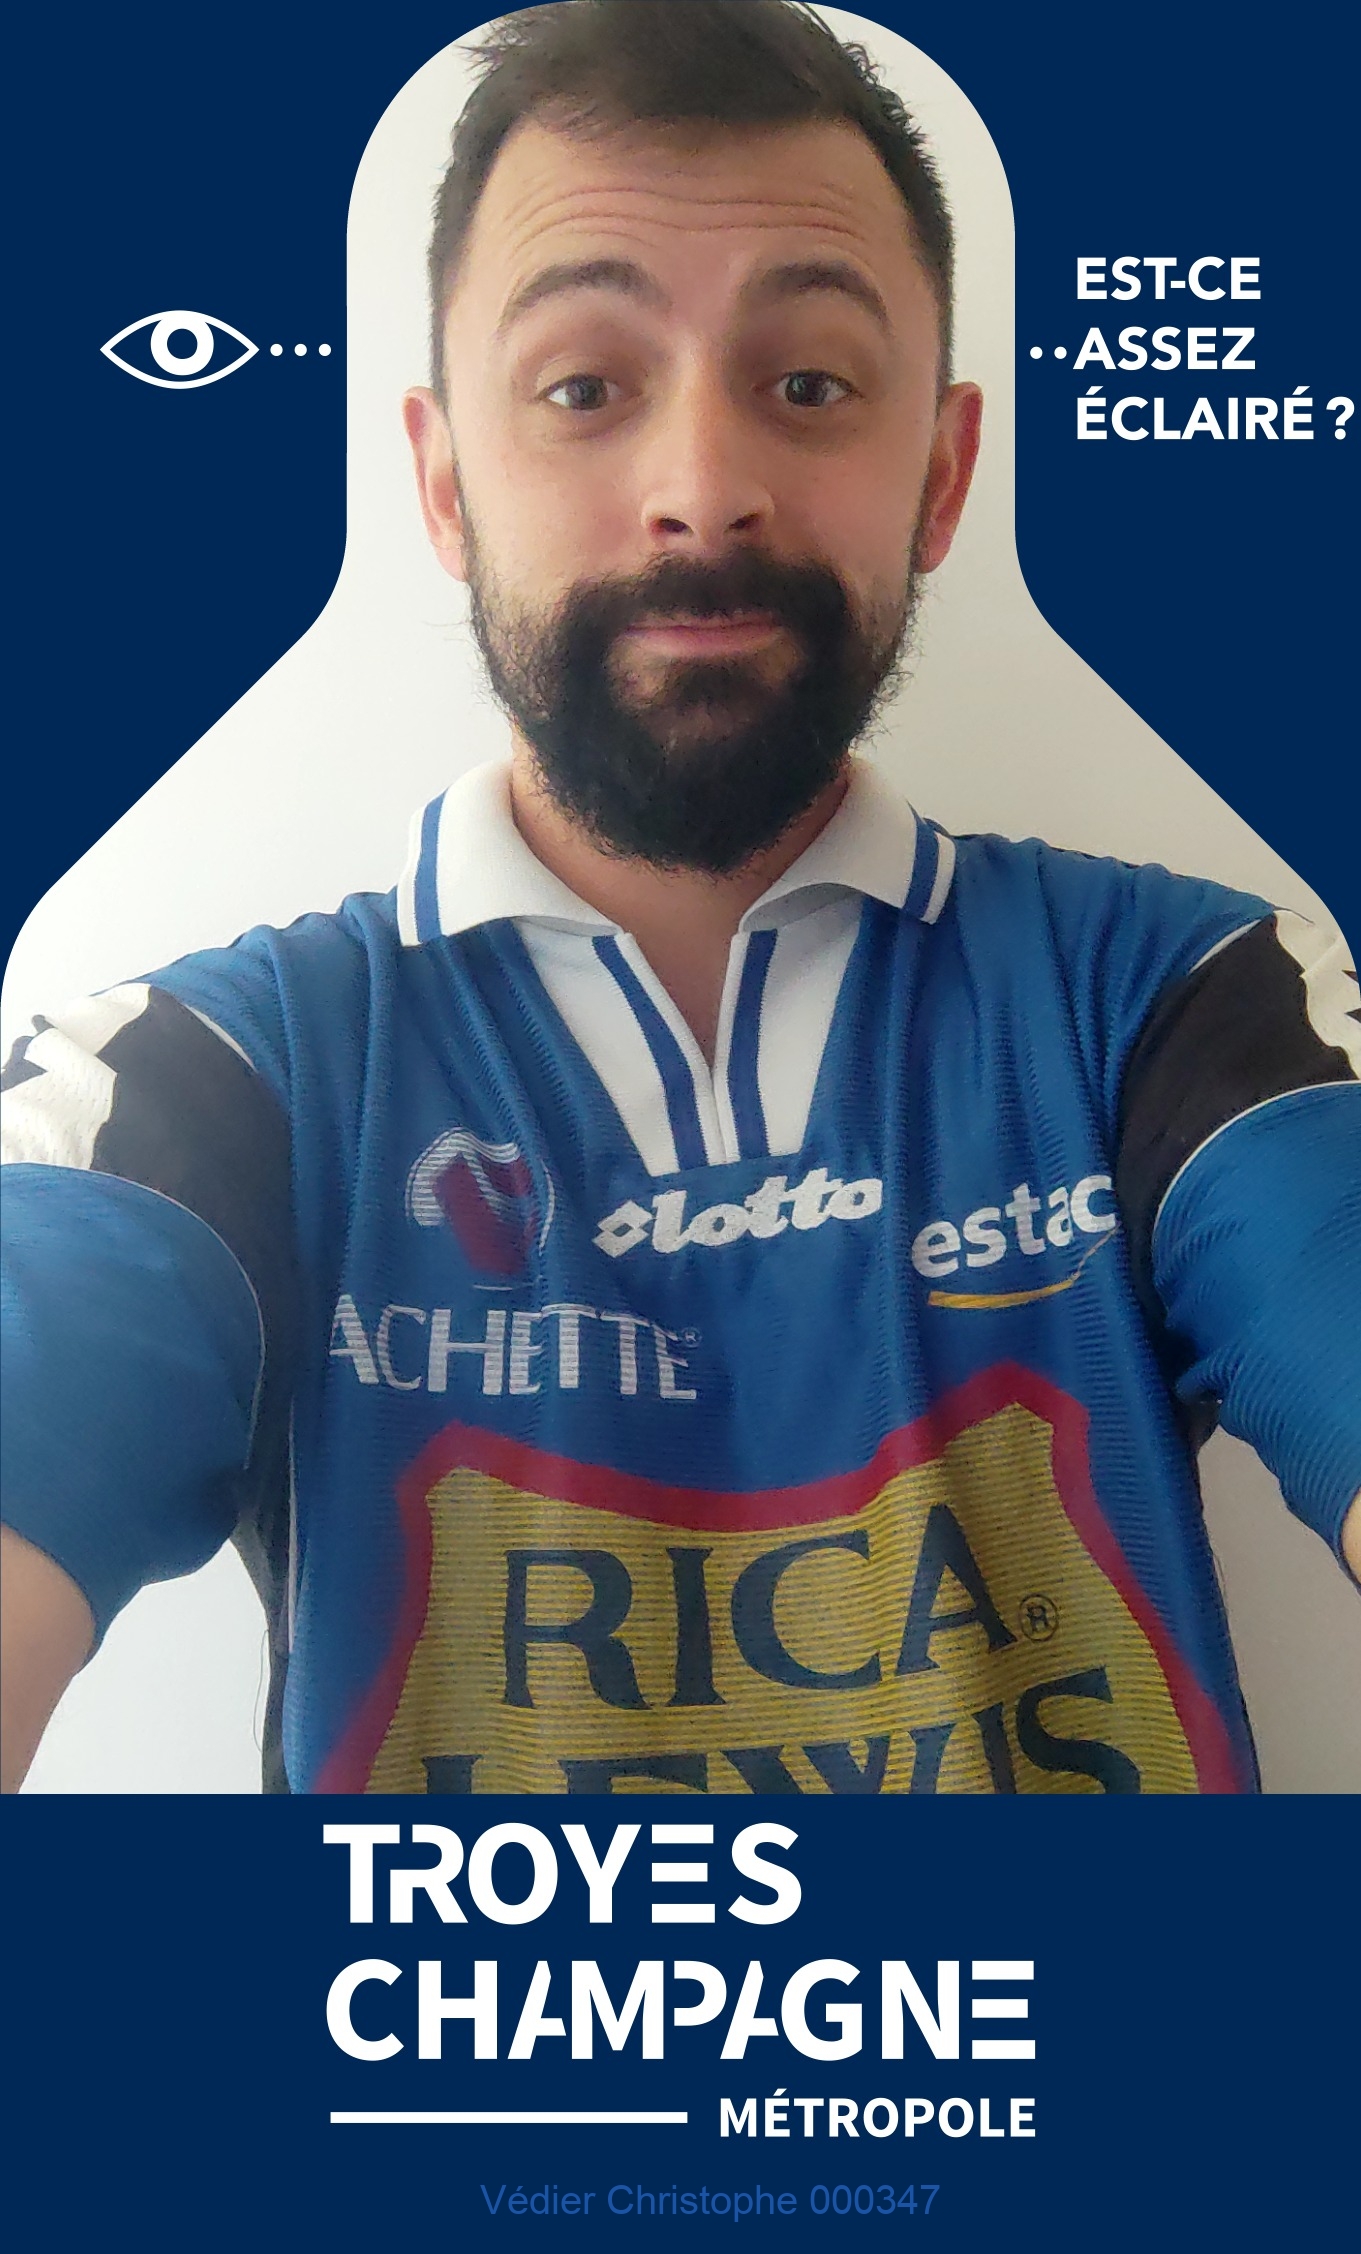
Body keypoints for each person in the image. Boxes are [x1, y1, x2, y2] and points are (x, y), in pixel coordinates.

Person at [2, 0, 1357, 1797]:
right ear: (444, 482)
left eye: (808, 385)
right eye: (584, 388)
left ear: (941, 475)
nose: (703, 492)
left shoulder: (1194, 999)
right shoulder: (191, 1085)